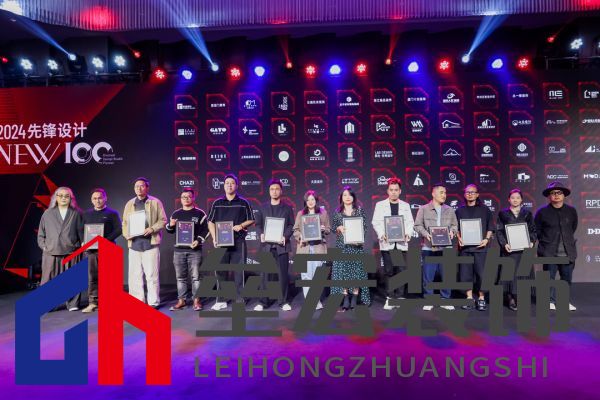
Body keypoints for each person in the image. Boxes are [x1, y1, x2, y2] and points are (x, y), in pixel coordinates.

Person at [207, 173, 255, 310]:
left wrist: (241, 225)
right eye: (227, 183)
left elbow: (251, 219)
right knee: (221, 271)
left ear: (237, 186)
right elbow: (210, 222)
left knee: (239, 271)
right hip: (221, 242)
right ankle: (221, 300)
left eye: (232, 183)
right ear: (223, 186)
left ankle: (240, 298)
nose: (229, 185)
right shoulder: (217, 203)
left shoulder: (243, 202)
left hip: (238, 241)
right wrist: (214, 237)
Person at [122, 177, 167, 309]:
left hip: (150, 244)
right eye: (136, 186)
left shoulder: (155, 202)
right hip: (134, 244)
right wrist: (126, 234)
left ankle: (153, 302)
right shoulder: (130, 203)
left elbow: (163, 220)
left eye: (142, 186)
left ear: (147, 188)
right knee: (135, 276)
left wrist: (152, 229)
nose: (139, 188)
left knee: (152, 275)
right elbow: (125, 223)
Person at [37, 186, 84, 311]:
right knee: (48, 280)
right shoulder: (47, 214)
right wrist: (44, 246)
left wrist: (83, 244)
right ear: (55, 198)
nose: (64, 198)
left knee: (73, 279)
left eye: (67, 196)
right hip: (51, 252)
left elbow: (81, 232)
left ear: (71, 198)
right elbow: (41, 234)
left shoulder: (76, 213)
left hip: (71, 251)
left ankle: (73, 304)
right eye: (61, 196)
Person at [371, 177, 414, 310]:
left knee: (400, 270)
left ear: (400, 191)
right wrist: (381, 234)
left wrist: (408, 233)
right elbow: (375, 222)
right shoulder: (380, 205)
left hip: (400, 243)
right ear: (387, 191)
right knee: (389, 271)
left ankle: (399, 297)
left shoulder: (405, 206)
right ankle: (390, 298)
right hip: (387, 243)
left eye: (396, 190)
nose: (394, 192)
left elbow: (410, 222)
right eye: (391, 190)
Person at [534, 181, 578, 311]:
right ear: (549, 196)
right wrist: (546, 242)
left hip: (567, 252)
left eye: (559, 192)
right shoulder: (542, 212)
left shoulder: (571, 211)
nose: (556, 195)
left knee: (566, 279)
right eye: (553, 193)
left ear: (564, 195)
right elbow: (537, 231)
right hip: (549, 252)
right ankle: (549, 301)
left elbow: (573, 227)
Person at [414, 182, 458, 311]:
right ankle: (429, 300)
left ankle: (445, 299)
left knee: (447, 275)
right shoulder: (423, 209)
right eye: (441, 192)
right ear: (433, 194)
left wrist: (452, 232)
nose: (444, 195)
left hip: (446, 248)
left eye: (445, 193)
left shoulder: (450, 209)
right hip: (429, 247)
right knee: (428, 276)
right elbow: (417, 225)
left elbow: (455, 225)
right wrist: (426, 234)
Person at [254, 179, 295, 311]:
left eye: (277, 189)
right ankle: (263, 302)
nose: (274, 191)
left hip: (282, 246)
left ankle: (283, 301)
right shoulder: (262, 208)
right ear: (269, 191)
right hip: (266, 246)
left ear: (281, 191)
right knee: (265, 275)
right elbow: (258, 224)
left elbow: (291, 225)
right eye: (272, 189)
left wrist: (285, 236)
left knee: (283, 275)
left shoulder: (287, 208)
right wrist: (261, 234)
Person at [165, 188, 209, 311]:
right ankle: (181, 301)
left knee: (196, 277)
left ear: (193, 198)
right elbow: (170, 230)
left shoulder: (200, 214)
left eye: (189, 196)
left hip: (195, 250)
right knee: (180, 277)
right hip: (179, 251)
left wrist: (198, 240)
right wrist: (171, 225)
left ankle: (196, 301)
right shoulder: (176, 214)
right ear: (180, 199)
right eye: (183, 197)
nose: (186, 199)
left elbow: (206, 230)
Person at [81, 188, 122, 313]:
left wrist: (105, 241)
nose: (97, 200)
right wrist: (84, 241)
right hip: (92, 251)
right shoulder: (86, 214)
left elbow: (119, 229)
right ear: (91, 200)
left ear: (105, 198)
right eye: (95, 198)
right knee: (93, 277)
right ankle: (93, 303)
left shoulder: (112, 213)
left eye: (100, 198)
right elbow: (81, 230)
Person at [455, 184, 495, 311]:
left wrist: (486, 239)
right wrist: (459, 238)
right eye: (468, 192)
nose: (470, 194)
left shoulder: (485, 210)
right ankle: (469, 298)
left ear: (477, 194)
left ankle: (481, 298)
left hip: (480, 248)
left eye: (473, 192)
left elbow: (490, 227)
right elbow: (456, 228)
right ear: (464, 194)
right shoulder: (459, 211)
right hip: (465, 248)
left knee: (482, 274)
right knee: (465, 274)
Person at [331, 186, 371, 311]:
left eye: (350, 195)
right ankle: (346, 298)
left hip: (356, 247)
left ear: (353, 197)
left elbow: (364, 227)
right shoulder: (337, 212)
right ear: (341, 198)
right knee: (343, 273)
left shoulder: (359, 210)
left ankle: (354, 296)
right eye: (345, 195)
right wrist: (338, 228)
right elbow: (333, 228)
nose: (347, 197)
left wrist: (359, 239)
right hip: (342, 247)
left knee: (356, 273)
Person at [496, 188, 537, 311]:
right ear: (509, 199)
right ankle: (511, 298)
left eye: (518, 198)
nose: (515, 200)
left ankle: (521, 297)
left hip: (523, 249)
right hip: (509, 250)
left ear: (521, 200)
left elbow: (533, 230)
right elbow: (499, 231)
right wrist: (504, 244)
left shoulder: (527, 214)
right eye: (513, 198)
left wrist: (531, 242)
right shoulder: (503, 214)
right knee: (510, 273)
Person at [293, 190, 331, 310]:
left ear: (316, 200)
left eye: (312, 199)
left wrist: (324, 229)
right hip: (305, 248)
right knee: (306, 276)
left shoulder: (323, 213)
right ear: (305, 201)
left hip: (318, 247)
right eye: (308, 199)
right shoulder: (301, 213)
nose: (310, 202)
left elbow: (328, 229)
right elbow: (295, 230)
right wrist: (300, 236)